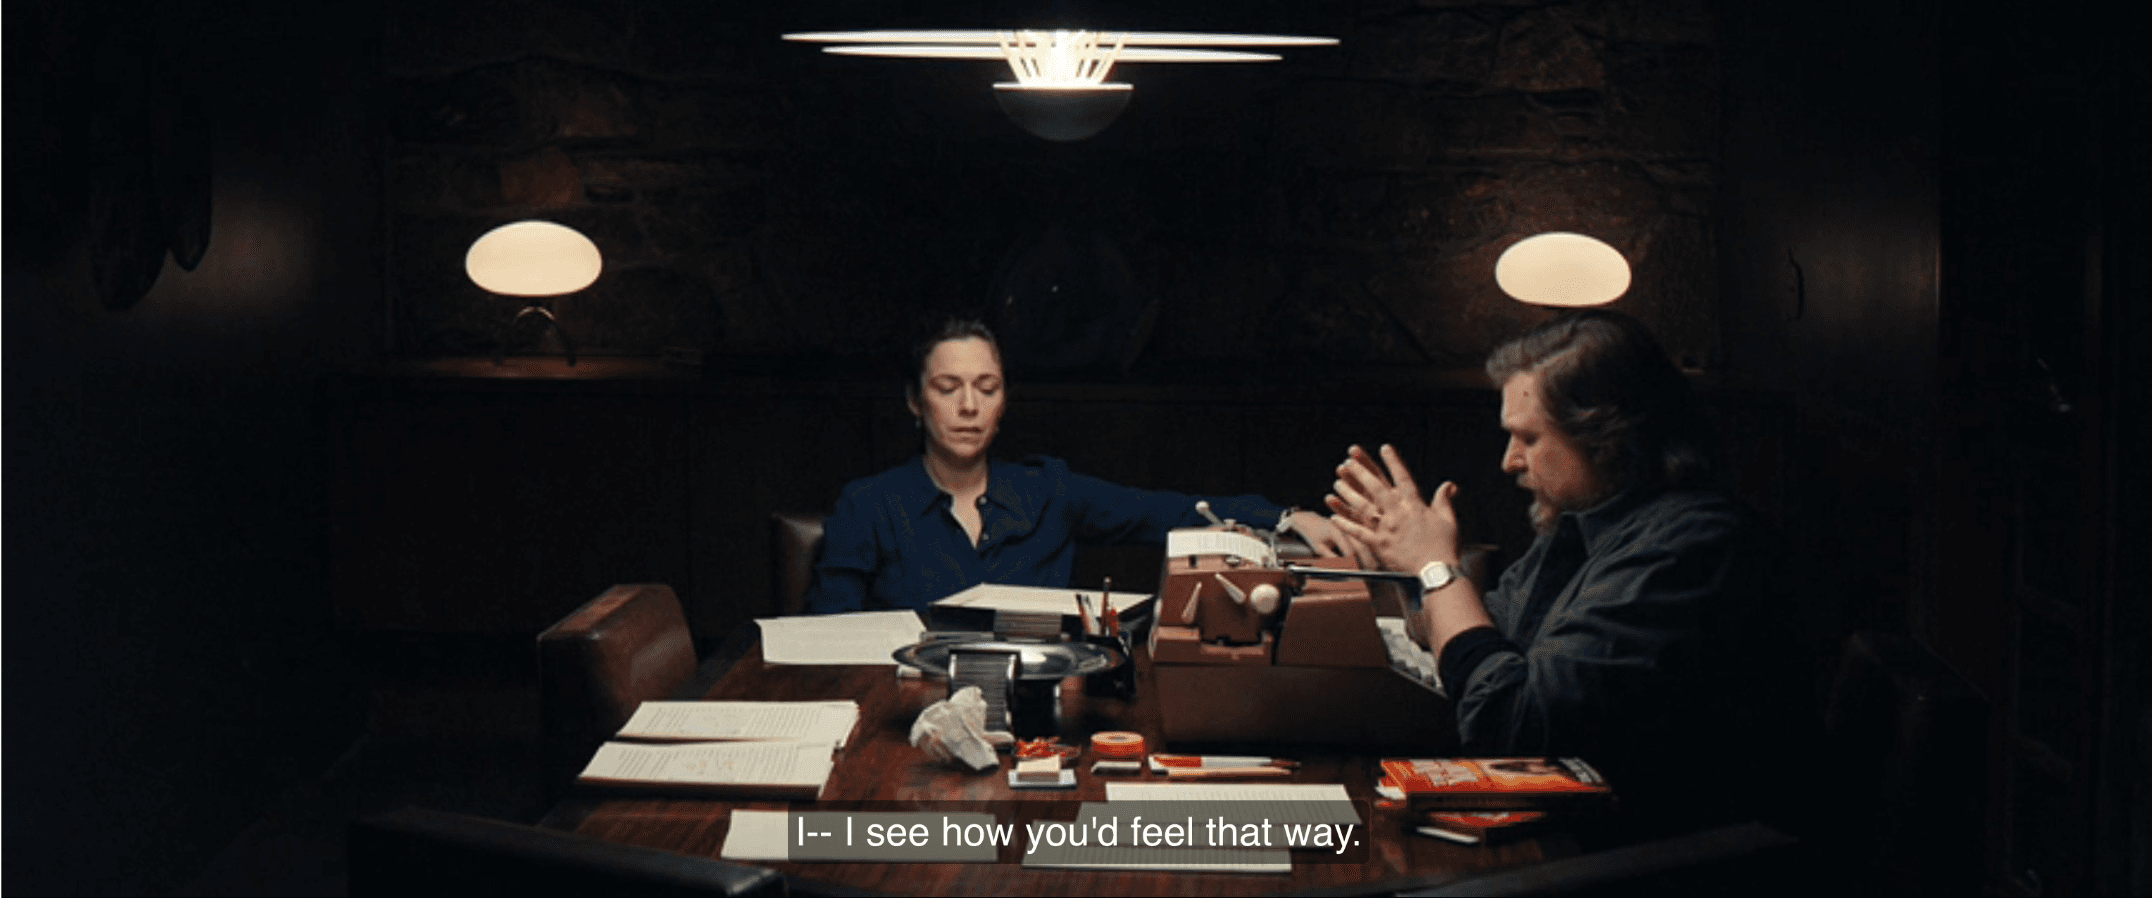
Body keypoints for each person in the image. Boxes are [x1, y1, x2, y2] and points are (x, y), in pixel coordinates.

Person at [1325, 309, 1813, 832]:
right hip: (1579, 827)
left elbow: (1510, 729)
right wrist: (1404, 560)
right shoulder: (1586, 523)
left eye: (1529, 438)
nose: (1510, 462)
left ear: (1609, 437)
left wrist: (1436, 568)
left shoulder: (1691, 549)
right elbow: (1487, 640)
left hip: (1646, 852)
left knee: (1350, 842)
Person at [804, 318, 1354, 614]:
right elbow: (826, 640)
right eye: (948, 388)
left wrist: (1284, 517)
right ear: (915, 401)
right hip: (909, 719)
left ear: (1003, 402)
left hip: (1042, 720)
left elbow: (1166, 511)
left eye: (987, 388)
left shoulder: (1050, 491)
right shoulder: (868, 505)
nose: (969, 406)